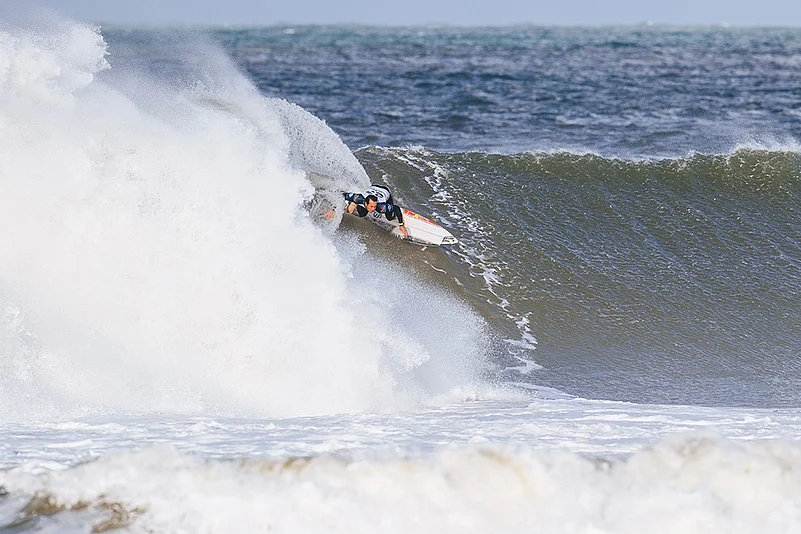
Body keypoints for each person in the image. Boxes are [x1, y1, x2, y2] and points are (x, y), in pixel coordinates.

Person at [341, 184, 409, 238]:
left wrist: (401, 225)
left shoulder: (381, 207)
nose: (373, 209)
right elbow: (342, 194)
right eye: (371, 207)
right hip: (373, 188)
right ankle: (353, 203)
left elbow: (396, 208)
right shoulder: (357, 198)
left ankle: (354, 204)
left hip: (384, 190)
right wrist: (335, 209)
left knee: (389, 217)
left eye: (374, 207)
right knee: (362, 214)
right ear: (365, 203)